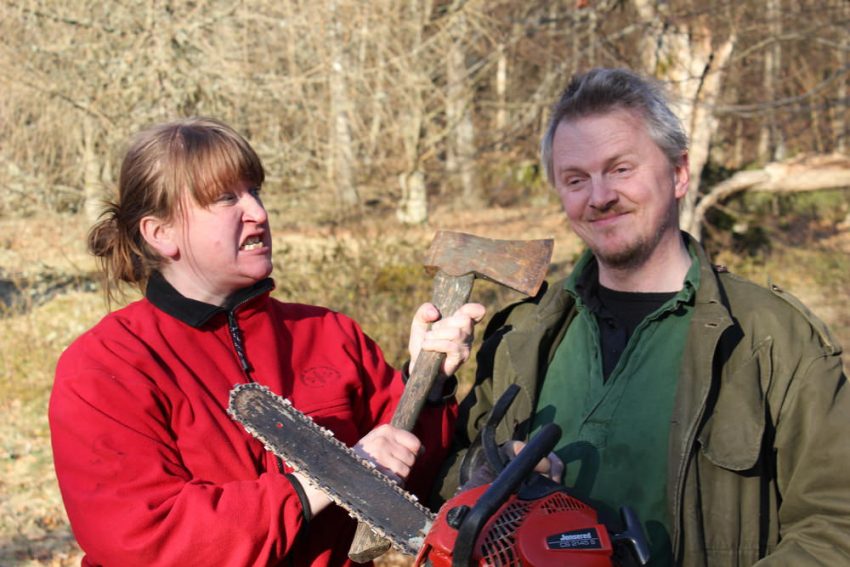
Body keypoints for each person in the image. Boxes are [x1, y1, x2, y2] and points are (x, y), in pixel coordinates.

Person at [433, 68, 850, 566]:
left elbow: (835, 525)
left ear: (679, 173)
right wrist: (483, 474)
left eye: (620, 169)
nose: (600, 196)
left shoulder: (772, 338)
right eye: (576, 179)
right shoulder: (521, 335)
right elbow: (446, 483)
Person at [49, 117, 485, 567]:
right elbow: (144, 538)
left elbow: (417, 488)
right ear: (161, 234)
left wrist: (428, 383)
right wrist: (331, 478)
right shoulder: (107, 366)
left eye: (254, 191)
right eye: (226, 198)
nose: (257, 212)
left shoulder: (329, 334)